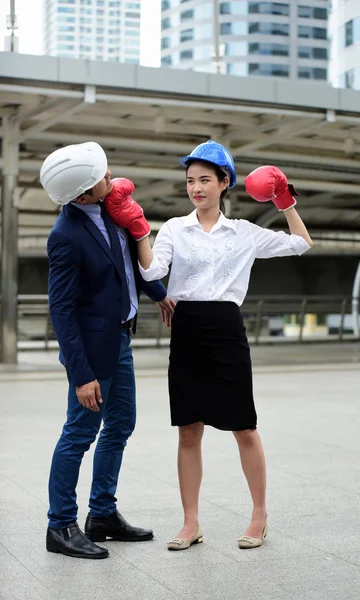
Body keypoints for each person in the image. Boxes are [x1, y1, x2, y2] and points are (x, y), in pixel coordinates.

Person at [103, 140, 313, 551]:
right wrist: (139, 227)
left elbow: (301, 243)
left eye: (204, 180)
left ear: (224, 183)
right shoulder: (175, 230)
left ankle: (259, 516)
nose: (196, 188)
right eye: (190, 181)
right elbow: (152, 269)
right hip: (187, 329)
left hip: (226, 328)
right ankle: (190, 523)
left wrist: (284, 200)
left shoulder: (244, 233)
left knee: (244, 427)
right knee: (188, 430)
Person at [40, 142, 175, 560]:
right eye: (102, 175)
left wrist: (157, 293)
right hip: (93, 352)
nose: (110, 176)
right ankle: (60, 525)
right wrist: (81, 375)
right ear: (82, 194)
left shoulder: (111, 212)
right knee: (79, 434)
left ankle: (102, 515)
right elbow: (61, 310)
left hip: (121, 340)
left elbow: (128, 263)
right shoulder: (65, 236)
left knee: (121, 425)